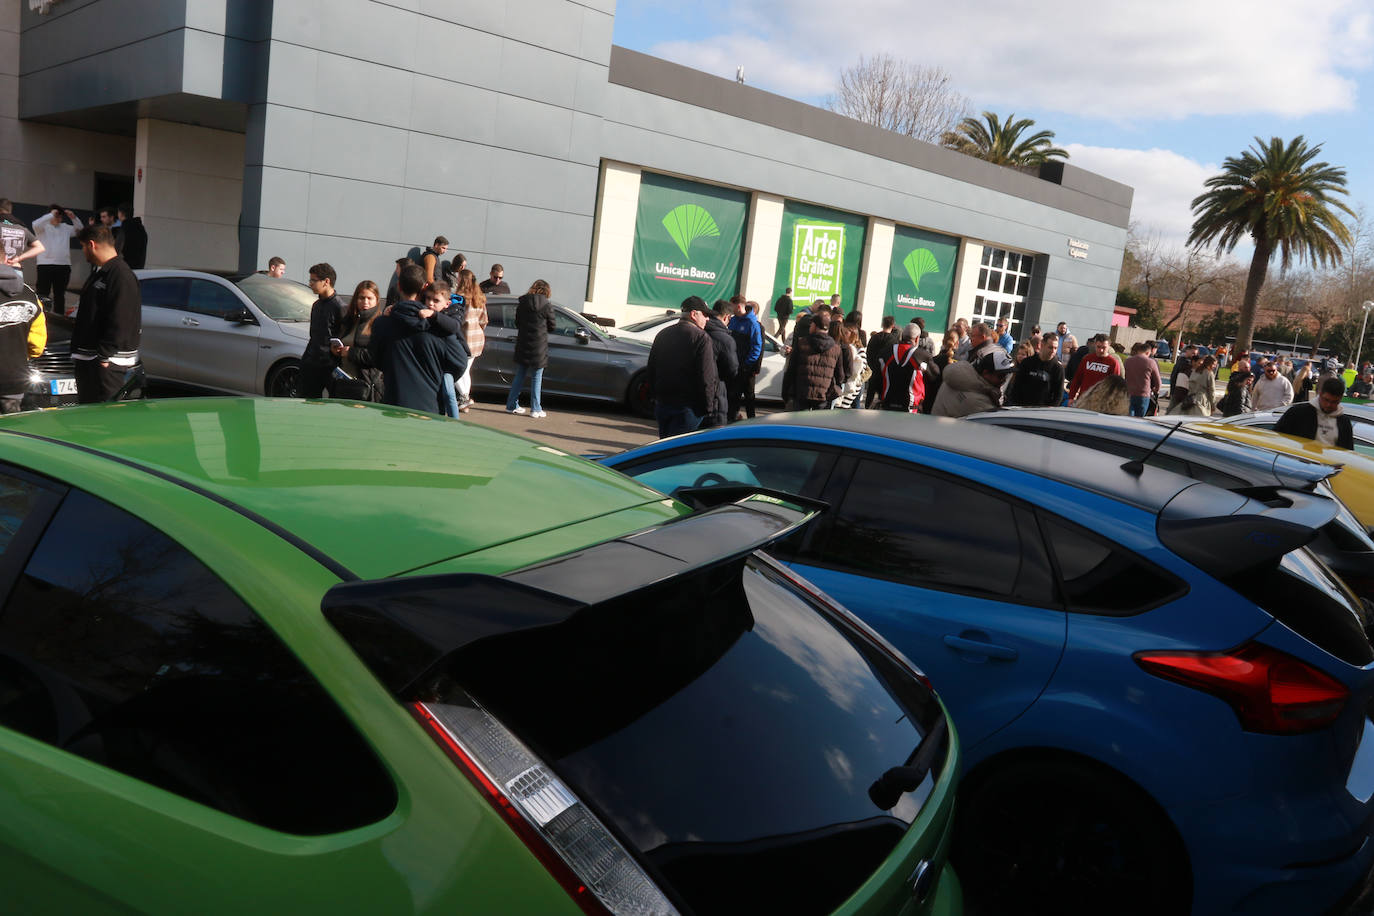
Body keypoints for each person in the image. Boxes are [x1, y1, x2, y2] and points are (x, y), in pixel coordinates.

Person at [368, 265, 468, 413]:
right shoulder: (440, 329)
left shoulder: (382, 324)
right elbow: (459, 363)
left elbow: (376, 359)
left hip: (392, 403)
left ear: (399, 286)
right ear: (425, 287)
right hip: (429, 407)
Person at [71, 224, 140, 403]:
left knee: (103, 421)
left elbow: (121, 318)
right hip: (93, 360)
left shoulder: (120, 275)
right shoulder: (102, 272)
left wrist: (104, 356)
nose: (83, 251)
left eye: (83, 246)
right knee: (88, 419)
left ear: (92, 245)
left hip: (107, 365)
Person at [646, 296, 716, 437]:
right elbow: (706, 376)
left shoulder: (663, 334)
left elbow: (651, 368)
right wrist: (709, 408)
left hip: (663, 403)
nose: (707, 319)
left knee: (664, 446)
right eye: (705, 315)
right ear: (693, 314)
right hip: (688, 407)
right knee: (677, 451)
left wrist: (654, 396)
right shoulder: (701, 338)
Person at [505, 279, 555, 417]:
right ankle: (536, 408)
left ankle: (511, 405)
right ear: (547, 291)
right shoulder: (547, 305)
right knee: (536, 377)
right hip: (539, 345)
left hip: (523, 343)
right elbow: (552, 326)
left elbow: (517, 322)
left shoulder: (523, 303)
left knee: (520, 375)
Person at [331, 280, 384, 402]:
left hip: (365, 386)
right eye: (361, 298)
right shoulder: (351, 319)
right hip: (343, 382)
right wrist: (335, 350)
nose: (365, 302)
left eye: (369, 298)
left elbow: (377, 356)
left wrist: (351, 353)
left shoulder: (379, 323)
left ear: (376, 300)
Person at [299, 263, 346, 398]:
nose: (310, 284)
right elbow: (314, 337)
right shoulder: (316, 305)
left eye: (313, 280)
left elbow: (342, 337)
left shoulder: (340, 307)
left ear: (326, 281)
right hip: (312, 363)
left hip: (330, 365)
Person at [0, 277, 46, 413]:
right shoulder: (28, 293)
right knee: (12, 431)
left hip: (13, 379)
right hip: (14, 380)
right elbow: (37, 345)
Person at [782, 308, 841, 410]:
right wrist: (834, 390)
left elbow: (791, 369)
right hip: (823, 394)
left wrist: (786, 392)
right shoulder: (836, 348)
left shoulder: (802, 343)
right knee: (817, 424)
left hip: (802, 392)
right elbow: (840, 374)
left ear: (814, 326)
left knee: (799, 423)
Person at [1274, 377, 1355, 449]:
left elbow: (1348, 451)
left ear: (1340, 399)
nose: (1328, 405)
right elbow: (1277, 437)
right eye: (1326, 400)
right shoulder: (1298, 413)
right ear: (1320, 394)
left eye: (1334, 402)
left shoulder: (1344, 423)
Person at [931, 349, 1015, 418]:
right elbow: (994, 422)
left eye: (1007, 375)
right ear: (986, 373)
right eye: (1001, 376)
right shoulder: (976, 401)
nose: (1004, 380)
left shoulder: (959, 377)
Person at [32, 205, 82, 314]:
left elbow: (80, 230)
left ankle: (59, 316)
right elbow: (34, 224)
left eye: (60, 216)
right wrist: (51, 214)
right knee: (42, 293)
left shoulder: (65, 227)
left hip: (63, 265)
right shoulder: (42, 227)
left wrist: (73, 217)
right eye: (56, 215)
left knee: (60, 294)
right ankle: (40, 315)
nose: (58, 218)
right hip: (45, 265)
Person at [700, 300, 739, 426]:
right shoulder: (726, 340)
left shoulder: (698, 331)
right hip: (716, 394)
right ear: (727, 317)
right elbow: (732, 369)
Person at [453, 269, 488, 413]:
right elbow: (484, 320)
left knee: (458, 371)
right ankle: (464, 402)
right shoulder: (479, 297)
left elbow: (457, 321)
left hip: (464, 340)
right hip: (478, 340)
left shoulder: (460, 299)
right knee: (466, 370)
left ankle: (464, 398)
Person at [877, 323, 928, 413]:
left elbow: (876, 376)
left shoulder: (885, 352)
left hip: (887, 403)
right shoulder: (922, 355)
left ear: (902, 336)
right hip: (911, 407)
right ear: (917, 338)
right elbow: (934, 375)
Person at [727, 298, 763, 420]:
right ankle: (732, 419)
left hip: (744, 368)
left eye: (731, 306)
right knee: (732, 397)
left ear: (738, 307)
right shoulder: (733, 320)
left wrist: (747, 365)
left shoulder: (752, 324)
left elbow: (757, 347)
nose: (730, 309)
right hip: (732, 365)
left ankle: (750, 422)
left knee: (748, 397)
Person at [1006, 332, 1064, 407]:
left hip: (1043, 411)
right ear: (1042, 345)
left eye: (1055, 348)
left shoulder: (1058, 368)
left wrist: (1050, 410)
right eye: (1050, 347)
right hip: (1022, 407)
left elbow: (1058, 395)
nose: (1053, 351)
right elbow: (1017, 386)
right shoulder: (1027, 362)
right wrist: (1015, 405)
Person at [0, 199, 43, 299]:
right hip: (16, 270)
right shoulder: (22, 228)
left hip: (1, 268)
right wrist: (18, 258)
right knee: (14, 303)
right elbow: (40, 247)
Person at [1067, 334, 1122, 404]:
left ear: (1109, 347)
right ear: (1095, 345)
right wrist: (1071, 397)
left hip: (1101, 402)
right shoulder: (1087, 359)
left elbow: (1115, 385)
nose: (1101, 350)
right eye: (1098, 347)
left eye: (1104, 347)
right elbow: (1077, 379)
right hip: (1084, 399)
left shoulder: (1113, 363)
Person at [863, 316, 900, 408]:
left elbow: (868, 353)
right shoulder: (894, 341)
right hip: (886, 374)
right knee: (883, 399)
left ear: (882, 324)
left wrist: (872, 367)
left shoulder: (874, 337)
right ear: (893, 325)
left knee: (869, 397)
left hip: (874, 371)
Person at [1123, 341, 1162, 417]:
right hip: (1143, 394)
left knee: (1128, 417)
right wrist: (1156, 390)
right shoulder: (1151, 362)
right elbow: (1158, 382)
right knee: (1140, 418)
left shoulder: (1128, 361)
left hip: (1129, 393)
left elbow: (1123, 376)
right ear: (1148, 353)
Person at [924, 329, 959, 414]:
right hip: (950, 406)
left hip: (931, 403)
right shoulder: (960, 364)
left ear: (943, 342)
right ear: (957, 344)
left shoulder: (933, 360)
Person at [115, 203, 147, 269]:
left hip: (124, 268)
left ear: (121, 213)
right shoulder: (141, 229)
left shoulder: (124, 229)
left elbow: (117, 250)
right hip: (139, 268)